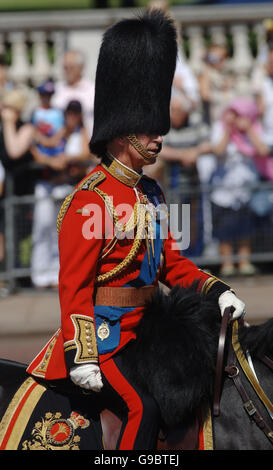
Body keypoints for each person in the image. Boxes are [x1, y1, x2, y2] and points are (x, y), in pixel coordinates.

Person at [27, 9, 245, 450]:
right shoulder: (90, 199)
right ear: (123, 132)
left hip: (147, 332)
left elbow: (171, 263)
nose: (159, 138)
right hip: (105, 340)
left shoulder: (150, 193)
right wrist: (82, 354)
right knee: (141, 406)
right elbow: (74, 287)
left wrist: (215, 289)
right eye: (151, 130)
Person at [210, 97, 269, 277]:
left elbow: (263, 150)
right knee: (225, 228)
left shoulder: (255, 129)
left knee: (245, 227)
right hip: (223, 190)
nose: (235, 118)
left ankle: (244, 262)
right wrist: (229, 131)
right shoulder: (219, 128)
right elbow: (218, 151)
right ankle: (227, 264)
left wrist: (249, 129)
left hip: (245, 189)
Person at [51, 50, 95, 142]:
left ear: (81, 68)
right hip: (57, 145)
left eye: (71, 67)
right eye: (65, 67)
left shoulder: (93, 90)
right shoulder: (56, 89)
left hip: (86, 147)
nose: (67, 71)